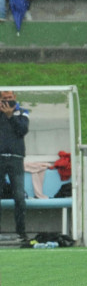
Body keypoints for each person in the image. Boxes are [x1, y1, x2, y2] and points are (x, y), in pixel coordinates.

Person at [0, 91, 29, 246]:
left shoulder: (22, 112)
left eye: (10, 99)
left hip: (16, 159)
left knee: (19, 196)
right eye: (4, 99)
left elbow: (22, 131)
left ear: (15, 98)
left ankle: (21, 232)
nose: (7, 102)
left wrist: (11, 116)